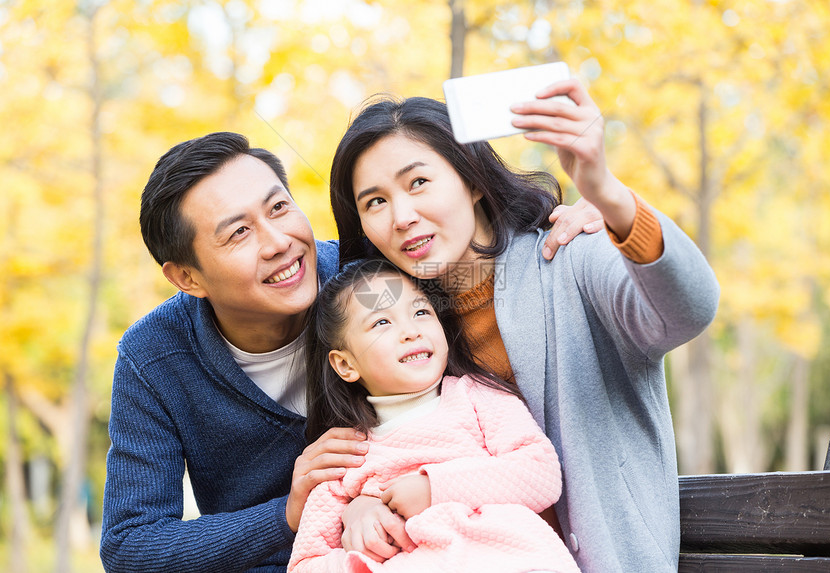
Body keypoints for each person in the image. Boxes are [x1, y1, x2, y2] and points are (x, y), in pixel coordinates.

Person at [99, 131, 599, 572]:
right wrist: (288, 515)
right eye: (239, 233)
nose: (279, 243)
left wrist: (580, 226)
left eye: (278, 208)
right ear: (186, 277)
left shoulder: (367, 277)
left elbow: (481, 272)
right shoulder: (156, 358)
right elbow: (130, 546)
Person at [328, 77, 720, 573]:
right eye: (375, 202)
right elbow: (399, 453)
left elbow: (689, 311)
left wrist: (610, 196)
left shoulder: (572, 251)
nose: (402, 216)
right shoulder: (399, 324)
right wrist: (358, 505)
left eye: (418, 182)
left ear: (471, 180)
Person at [288, 258, 579, 573]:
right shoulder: (345, 456)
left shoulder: (476, 396)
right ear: (345, 365)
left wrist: (433, 489)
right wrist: (361, 554)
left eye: (421, 312)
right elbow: (306, 564)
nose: (410, 331)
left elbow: (541, 474)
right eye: (382, 322)